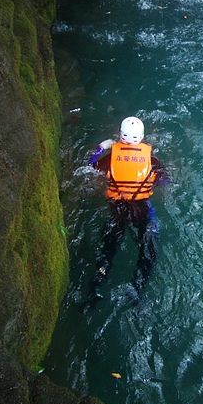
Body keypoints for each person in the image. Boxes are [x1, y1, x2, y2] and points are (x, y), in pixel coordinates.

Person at [83, 116, 168, 309]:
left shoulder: (110, 159)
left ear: (120, 136)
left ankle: (96, 286)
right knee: (148, 252)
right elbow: (164, 181)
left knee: (107, 251)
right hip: (142, 211)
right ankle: (137, 290)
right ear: (142, 138)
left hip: (118, 211)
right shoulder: (152, 160)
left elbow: (89, 168)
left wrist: (100, 148)